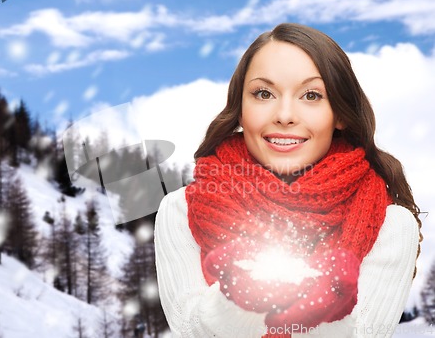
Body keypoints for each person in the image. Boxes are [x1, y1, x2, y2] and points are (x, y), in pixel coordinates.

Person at [154, 23, 422, 338]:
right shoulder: (181, 211)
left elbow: (364, 333)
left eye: (311, 95)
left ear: (340, 114)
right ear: (241, 110)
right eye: (263, 93)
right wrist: (241, 296)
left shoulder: (390, 225)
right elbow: (191, 330)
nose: (284, 114)